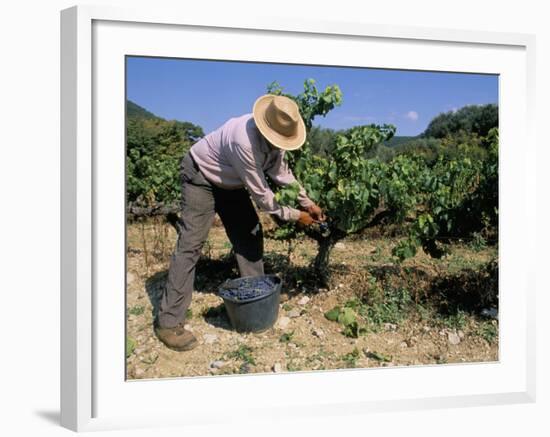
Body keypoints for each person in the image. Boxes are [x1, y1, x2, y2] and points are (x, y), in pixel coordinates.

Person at [154, 94, 325, 351]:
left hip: (230, 182)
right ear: (266, 127)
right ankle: (168, 322)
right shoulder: (243, 141)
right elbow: (264, 199)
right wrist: (296, 216)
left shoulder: (275, 142)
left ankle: (254, 299)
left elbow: (282, 174)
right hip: (201, 175)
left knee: (249, 234)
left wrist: (307, 203)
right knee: (191, 244)